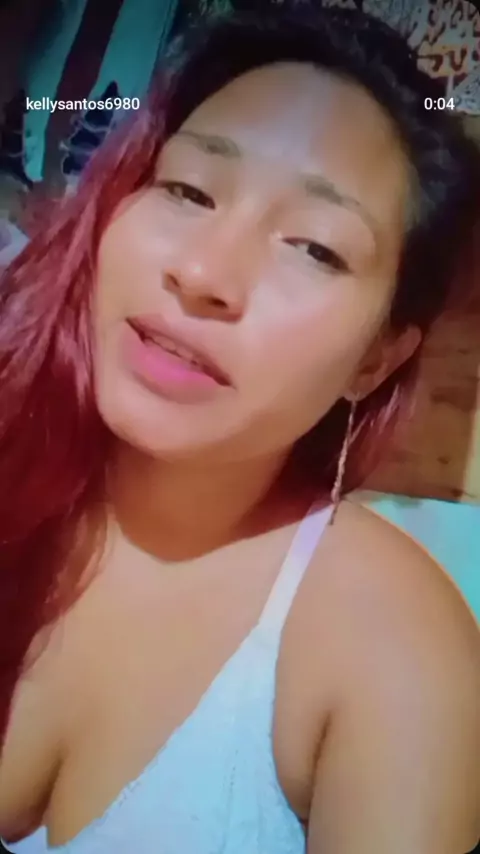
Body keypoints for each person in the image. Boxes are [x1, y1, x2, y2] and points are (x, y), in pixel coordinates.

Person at [0, 4, 479, 853]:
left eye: (316, 248)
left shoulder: (395, 656)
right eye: (187, 191)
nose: (204, 273)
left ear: (376, 359)